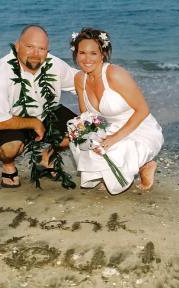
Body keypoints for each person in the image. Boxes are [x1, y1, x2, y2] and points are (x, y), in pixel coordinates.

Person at [69, 27, 164, 195]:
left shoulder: (115, 74)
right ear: (75, 54)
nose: (87, 59)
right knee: (82, 144)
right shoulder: (79, 79)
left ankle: (145, 164)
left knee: (115, 150)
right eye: (82, 52)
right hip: (110, 127)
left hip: (139, 127)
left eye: (93, 53)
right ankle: (119, 170)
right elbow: (87, 117)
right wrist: (87, 135)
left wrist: (113, 139)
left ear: (103, 54)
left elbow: (143, 110)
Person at [0, 25, 78, 188]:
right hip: (10, 120)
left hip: (45, 114)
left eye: (41, 48)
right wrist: (33, 123)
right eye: (30, 47)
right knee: (9, 149)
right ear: (17, 46)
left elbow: (82, 82)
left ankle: (46, 159)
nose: (35, 54)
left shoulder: (55, 65)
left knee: (79, 129)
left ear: (47, 51)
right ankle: (8, 165)